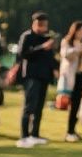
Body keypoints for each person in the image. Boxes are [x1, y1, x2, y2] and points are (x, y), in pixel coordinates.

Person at [16, 12, 57, 148]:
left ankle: (34, 134)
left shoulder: (47, 37)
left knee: (39, 107)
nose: (42, 27)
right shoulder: (27, 36)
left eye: (44, 25)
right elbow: (23, 54)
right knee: (29, 106)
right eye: (39, 24)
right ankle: (24, 136)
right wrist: (41, 48)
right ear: (33, 24)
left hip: (44, 76)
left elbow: (50, 56)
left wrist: (55, 69)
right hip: (31, 75)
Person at [59, 21, 82, 143]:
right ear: (75, 31)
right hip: (72, 77)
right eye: (80, 31)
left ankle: (73, 130)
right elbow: (65, 55)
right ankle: (69, 132)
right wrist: (77, 49)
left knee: (77, 105)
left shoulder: (81, 44)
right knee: (73, 105)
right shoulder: (66, 41)